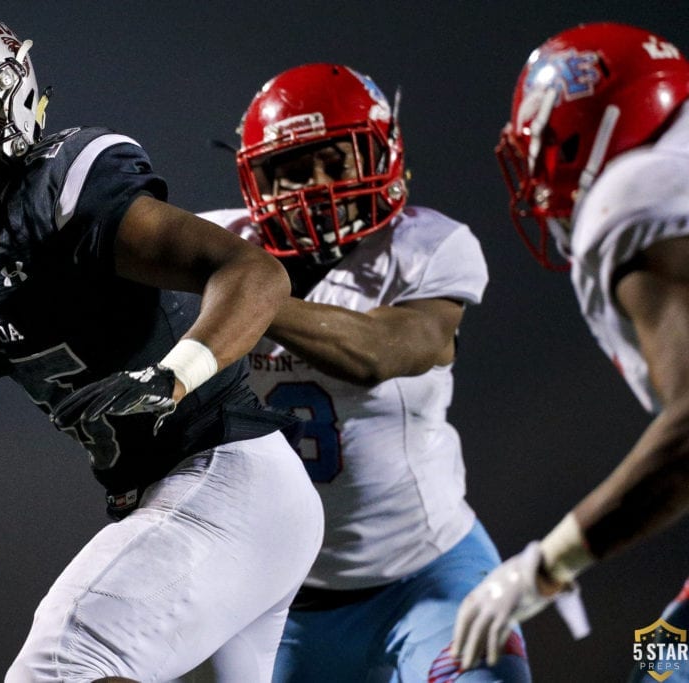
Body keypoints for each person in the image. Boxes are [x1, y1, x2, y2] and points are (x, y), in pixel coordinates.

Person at [0, 4, 324, 682]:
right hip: (184, 500)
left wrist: (172, 376)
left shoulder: (65, 189)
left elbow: (253, 271)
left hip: (228, 475)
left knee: (60, 665)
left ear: (13, 103)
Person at [199, 63, 532, 681]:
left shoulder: (428, 245)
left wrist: (245, 295)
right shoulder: (224, 243)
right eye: (293, 169)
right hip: (278, 596)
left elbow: (386, 350)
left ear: (382, 156)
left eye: (336, 161)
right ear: (256, 179)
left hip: (427, 574)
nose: (316, 187)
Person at [450, 23, 689, 681]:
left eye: (547, 144)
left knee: (661, 668)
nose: (537, 171)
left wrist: (545, 565)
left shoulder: (637, 195)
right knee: (661, 652)